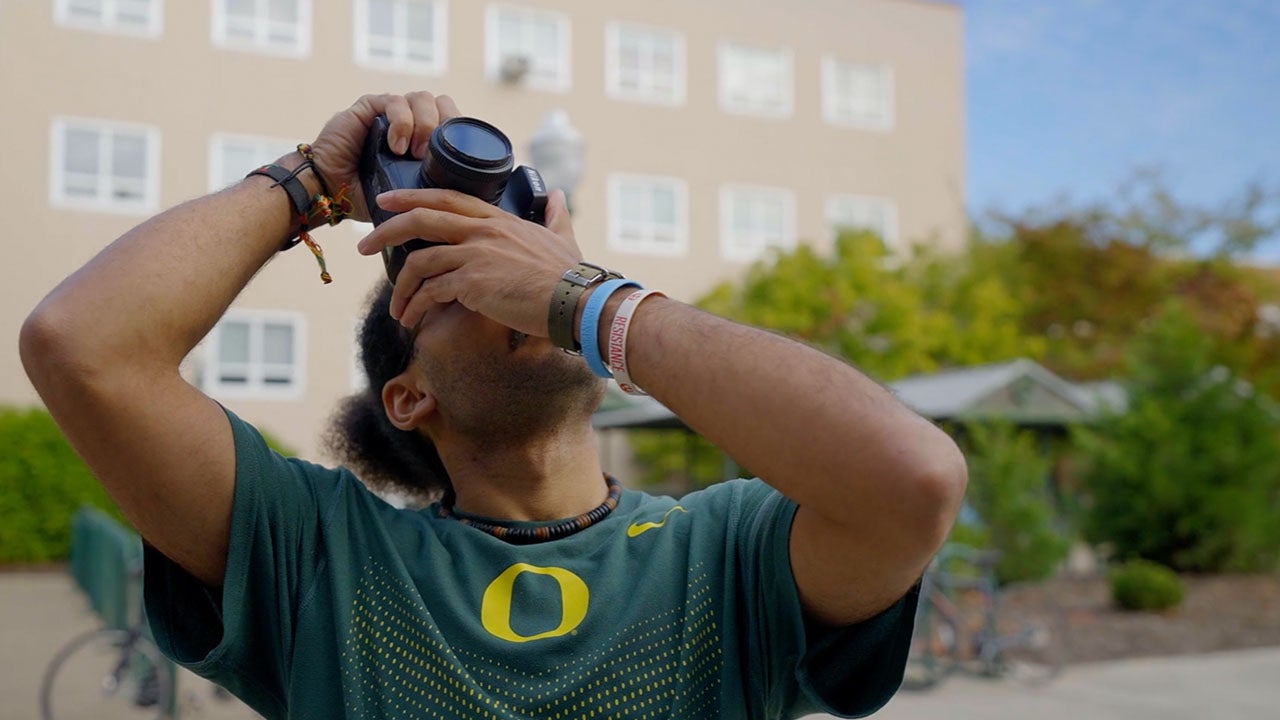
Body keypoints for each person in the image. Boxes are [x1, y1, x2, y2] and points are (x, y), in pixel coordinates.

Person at [21, 91, 968, 720]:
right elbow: (83, 346)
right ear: (409, 395)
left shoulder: (723, 552)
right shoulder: (321, 553)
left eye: (519, 258)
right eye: (452, 279)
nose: (505, 277)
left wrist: (591, 300)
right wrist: (313, 180)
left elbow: (912, 476)